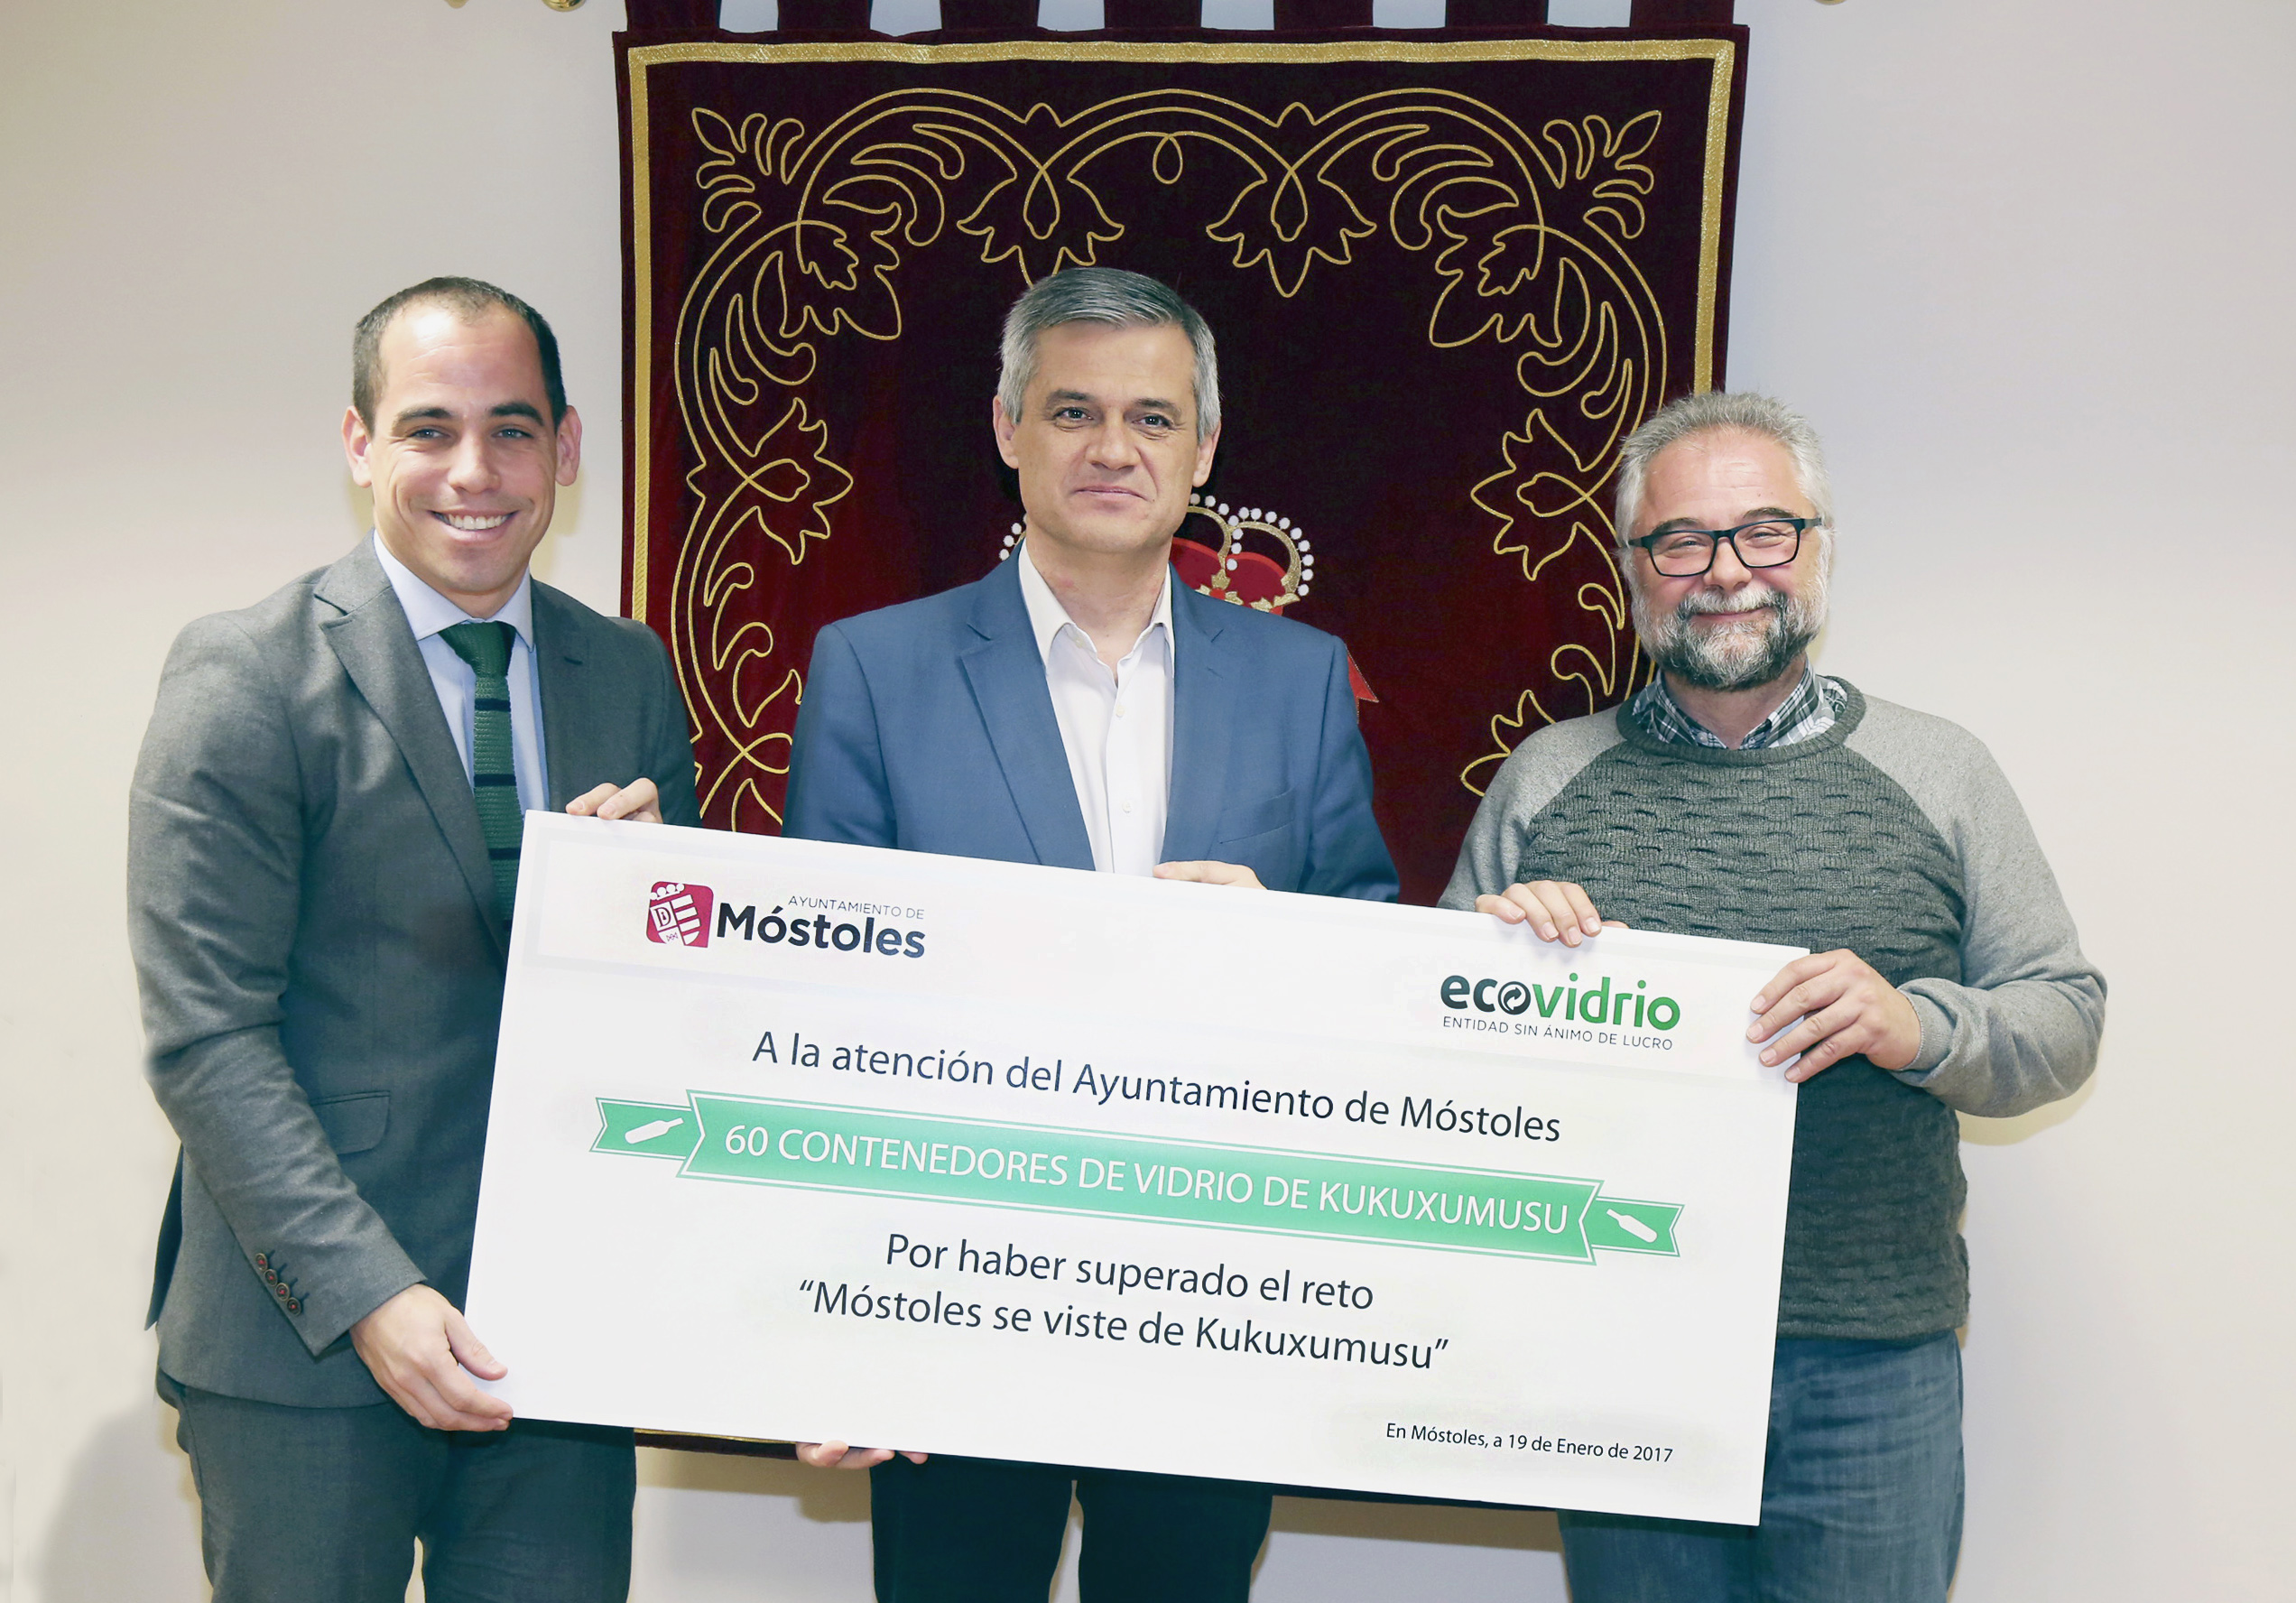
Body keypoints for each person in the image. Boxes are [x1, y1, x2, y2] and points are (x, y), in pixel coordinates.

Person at [782, 266, 1398, 1601]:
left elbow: (1370, 951)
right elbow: (817, 1012)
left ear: (1204, 450)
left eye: (1152, 417)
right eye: (1073, 411)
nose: (1114, 447)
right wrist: (836, 1323)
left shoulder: (1300, 681)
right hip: (947, 1289)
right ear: (1008, 429)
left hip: (1216, 1299)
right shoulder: (874, 668)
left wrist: (1278, 944)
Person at [1443, 390, 2105, 1601]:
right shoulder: (1546, 778)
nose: (1726, 573)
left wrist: (1918, 1026)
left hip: (1872, 1370)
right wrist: (1494, 974)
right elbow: (1429, 1070)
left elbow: (2063, 1016)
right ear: (1631, 570)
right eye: (1681, 541)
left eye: (1764, 532)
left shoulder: (1942, 770)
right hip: (1622, 1351)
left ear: (1820, 550)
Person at [128, 277, 699, 1602]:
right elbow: (207, 1039)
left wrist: (655, 906)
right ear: (359, 443)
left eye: (512, 430)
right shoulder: (244, 674)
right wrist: (370, 1296)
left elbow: (677, 1018)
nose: (473, 472)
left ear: (566, 448)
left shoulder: (627, 671)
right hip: (308, 1347)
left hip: (558, 1343)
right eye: (429, 429)